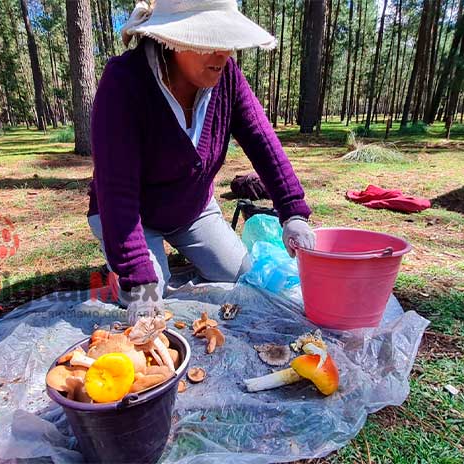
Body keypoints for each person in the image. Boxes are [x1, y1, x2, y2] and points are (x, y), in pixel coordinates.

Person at [87, 0, 315, 323]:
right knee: (153, 290)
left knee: (241, 274)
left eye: (227, 41)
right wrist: (139, 280)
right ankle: (121, 267)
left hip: (191, 210)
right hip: (129, 215)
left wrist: (293, 211)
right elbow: (117, 194)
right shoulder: (124, 83)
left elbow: (264, 143)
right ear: (174, 40)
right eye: (211, 40)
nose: (223, 53)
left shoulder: (228, 79)